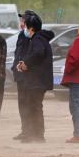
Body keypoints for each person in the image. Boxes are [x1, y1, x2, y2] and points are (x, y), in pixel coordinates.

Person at [14, 13, 54, 142]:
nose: (24, 29)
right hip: (36, 79)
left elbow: (38, 52)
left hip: (37, 80)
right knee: (34, 106)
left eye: (26, 26)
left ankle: (37, 135)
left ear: (31, 28)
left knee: (34, 107)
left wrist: (26, 63)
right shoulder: (39, 38)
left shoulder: (37, 39)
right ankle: (35, 134)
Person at [11, 10, 34, 140]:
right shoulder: (22, 35)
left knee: (27, 103)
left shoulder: (31, 36)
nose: (21, 23)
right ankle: (24, 129)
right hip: (20, 75)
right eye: (21, 21)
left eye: (23, 21)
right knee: (22, 103)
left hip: (27, 75)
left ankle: (29, 131)